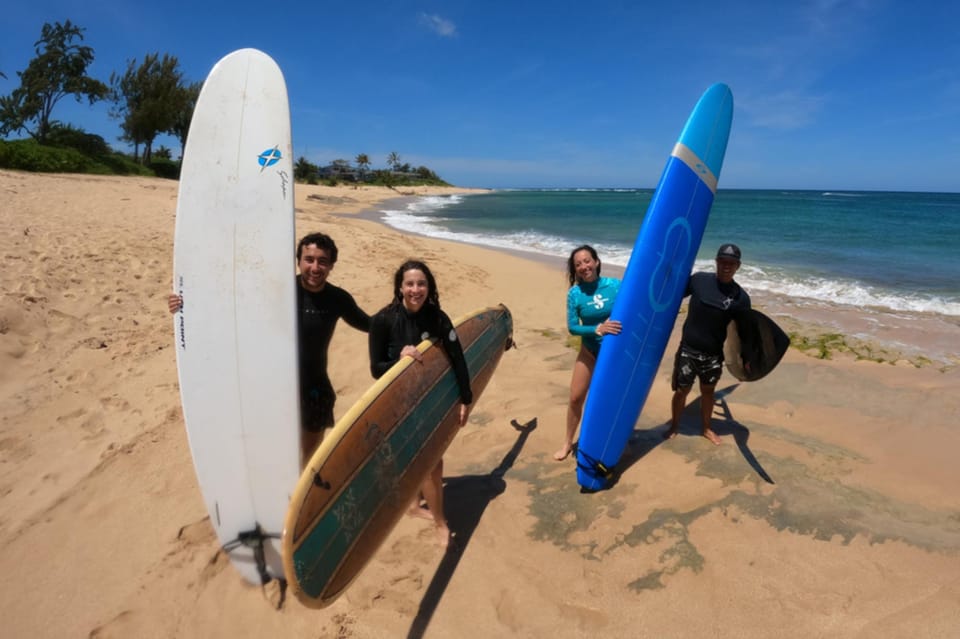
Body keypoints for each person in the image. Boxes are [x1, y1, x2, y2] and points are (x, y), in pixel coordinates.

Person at [168, 232, 370, 468]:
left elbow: (371, 325)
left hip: (315, 387)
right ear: (299, 261)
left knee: (309, 455)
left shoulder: (338, 299)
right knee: (272, 452)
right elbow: (229, 307)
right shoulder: (278, 290)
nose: (315, 267)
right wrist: (185, 305)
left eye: (322, 261)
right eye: (309, 259)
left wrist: (410, 315)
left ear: (331, 265)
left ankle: (301, 492)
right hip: (274, 385)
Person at [368, 260, 472, 547]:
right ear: (400, 287)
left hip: (428, 399)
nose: (416, 289)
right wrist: (398, 361)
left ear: (429, 287)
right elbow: (376, 369)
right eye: (410, 284)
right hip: (397, 402)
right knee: (429, 464)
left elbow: (457, 357)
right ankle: (440, 522)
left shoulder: (438, 318)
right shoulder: (383, 321)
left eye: (421, 283)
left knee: (427, 462)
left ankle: (415, 504)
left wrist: (466, 399)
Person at [666, 243, 751, 445]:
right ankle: (674, 425)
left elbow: (744, 332)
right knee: (681, 391)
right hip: (688, 349)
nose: (726, 266)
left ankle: (706, 428)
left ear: (738, 266)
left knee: (708, 393)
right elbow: (672, 295)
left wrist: (746, 360)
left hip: (713, 356)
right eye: (722, 261)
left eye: (731, 263)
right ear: (716, 261)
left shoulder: (741, 298)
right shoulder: (699, 280)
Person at [554, 245, 621, 462]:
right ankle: (567, 442)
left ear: (597, 262)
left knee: (611, 400)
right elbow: (573, 327)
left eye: (587, 261)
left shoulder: (615, 285)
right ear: (575, 270)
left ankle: (616, 440)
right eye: (578, 264)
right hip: (589, 352)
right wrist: (596, 329)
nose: (584, 266)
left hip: (612, 356)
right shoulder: (575, 294)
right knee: (575, 398)